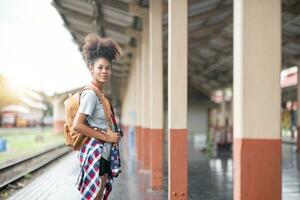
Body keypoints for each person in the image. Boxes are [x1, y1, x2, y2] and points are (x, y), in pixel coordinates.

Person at [73, 33, 122, 200]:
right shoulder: (91, 95)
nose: (104, 71)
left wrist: (112, 136)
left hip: (104, 152)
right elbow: (77, 125)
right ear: (91, 69)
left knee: (99, 195)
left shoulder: (101, 94)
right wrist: (106, 137)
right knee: (94, 196)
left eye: (108, 67)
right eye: (100, 67)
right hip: (97, 153)